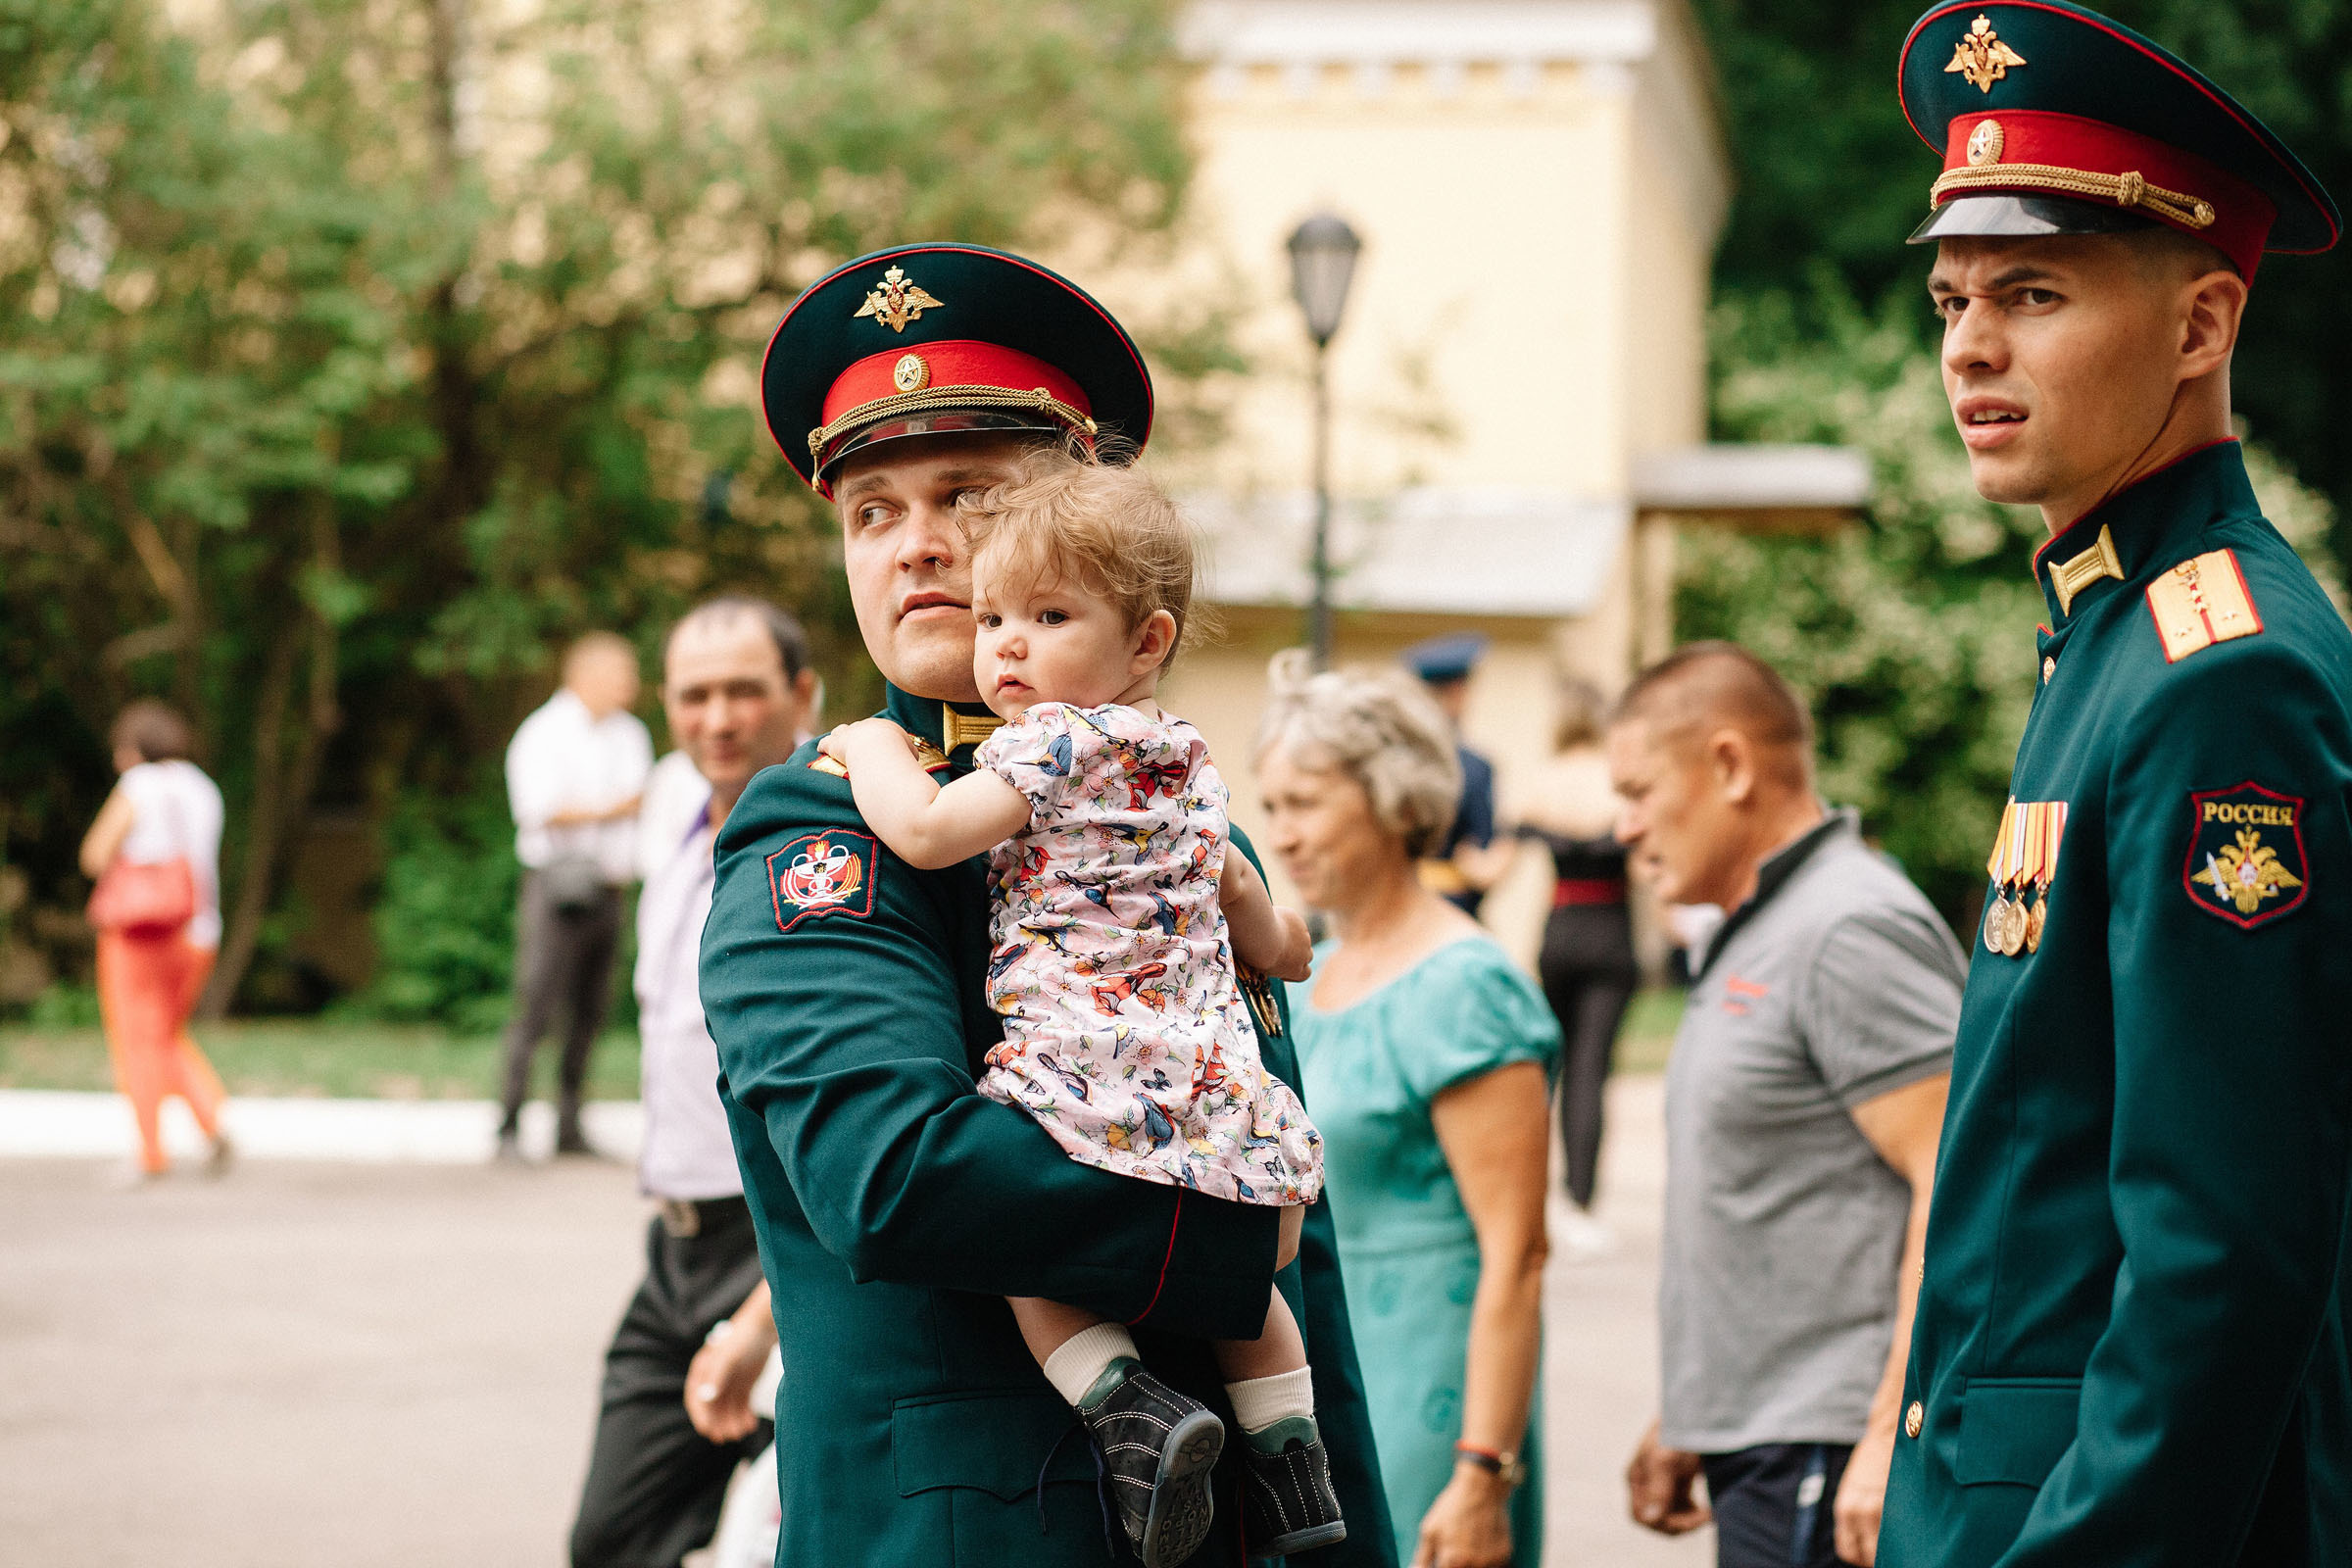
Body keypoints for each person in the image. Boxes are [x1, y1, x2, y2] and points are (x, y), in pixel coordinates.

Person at [695, 243, 1393, 1568]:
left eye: (964, 494)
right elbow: (895, 1177)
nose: (918, 546)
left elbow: (1309, 1268)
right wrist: (1233, 1222)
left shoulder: (1178, 809)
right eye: (871, 513)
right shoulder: (829, 822)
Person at [1879, 7, 2352, 1564]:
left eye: (2033, 293)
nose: (1970, 346)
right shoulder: (2116, 630)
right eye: (1954, 299)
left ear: (2204, 324)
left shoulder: (2226, 675)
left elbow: (2226, 1251)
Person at [819, 450, 1341, 1566]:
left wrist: (869, 745)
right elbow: (1255, 913)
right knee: (1250, 1286)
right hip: (1209, 1078)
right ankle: (1290, 1449)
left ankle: (1126, 1404)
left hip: (1086, 1065)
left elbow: (921, 832)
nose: (1004, 641)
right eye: (994, 614)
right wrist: (1296, 948)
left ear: (1144, 641)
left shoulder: (1043, 743)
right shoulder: (1192, 762)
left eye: (1046, 615)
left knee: (1026, 1255)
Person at [1612, 644, 1956, 1568]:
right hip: (1766, 1437)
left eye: (1640, 791)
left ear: (1729, 766)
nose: (1623, 827)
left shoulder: (1848, 926)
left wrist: (1889, 1436)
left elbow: (1958, 1181)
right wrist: (1695, 1408)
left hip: (1832, 1443)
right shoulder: (1767, 921)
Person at [1260, 652, 1558, 1568]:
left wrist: (1482, 1472)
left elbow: (1519, 1253)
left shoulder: (1465, 986)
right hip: (1314, 1396)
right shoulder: (1299, 981)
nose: (1283, 837)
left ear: (1391, 799)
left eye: (1304, 803)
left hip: (1431, 1400)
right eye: (1270, 809)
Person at [568, 598, 816, 1568]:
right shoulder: (674, 799)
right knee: (613, 1538)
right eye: (695, 695)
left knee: (801, 1542)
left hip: (781, 1243)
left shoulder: (828, 842)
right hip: (673, 1243)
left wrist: (766, 1312)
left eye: (746, 692)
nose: (720, 719)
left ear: (800, 693)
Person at [498, 631, 654, 1159]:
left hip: (611, 884)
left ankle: (569, 1126)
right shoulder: (544, 732)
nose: (629, 685)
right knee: (536, 1005)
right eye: (620, 673)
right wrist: (616, 807)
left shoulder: (631, 734)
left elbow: (643, 804)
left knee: (591, 1010)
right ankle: (508, 1124)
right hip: (556, 884)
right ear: (584, 674)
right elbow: (536, 808)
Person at [77, 700, 230, 1182]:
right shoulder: (204, 788)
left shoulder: (139, 784)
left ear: (131, 749)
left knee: (137, 1039)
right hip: (199, 932)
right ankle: (211, 1120)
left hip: (142, 933)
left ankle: (149, 1152)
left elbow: (95, 853)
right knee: (164, 1034)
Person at [1515, 673, 1637, 1239]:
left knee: (1550, 1067)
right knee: (1592, 1071)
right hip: (1612, 930)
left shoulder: (1544, 782)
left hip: (1560, 932)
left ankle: (1530, 1193)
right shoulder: (1619, 783)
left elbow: (1499, 860)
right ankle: (1581, 1203)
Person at [1401, 634, 1504, 918]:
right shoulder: (1475, 767)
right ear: (1457, 692)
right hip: (1453, 908)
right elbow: (1478, 851)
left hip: (1398, 907)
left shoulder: (1396, 760)